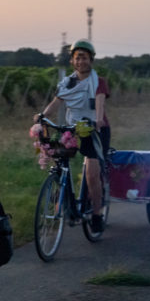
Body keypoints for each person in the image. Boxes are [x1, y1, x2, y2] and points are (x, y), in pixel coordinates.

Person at [36, 39, 110, 233]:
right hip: (72, 128)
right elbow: (56, 102)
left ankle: (96, 214)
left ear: (91, 60)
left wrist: (98, 119)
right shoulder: (68, 82)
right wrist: (43, 117)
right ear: (71, 61)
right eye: (77, 58)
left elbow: (100, 102)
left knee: (92, 175)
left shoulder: (98, 82)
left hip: (94, 129)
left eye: (84, 58)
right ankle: (63, 197)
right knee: (59, 162)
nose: (81, 62)